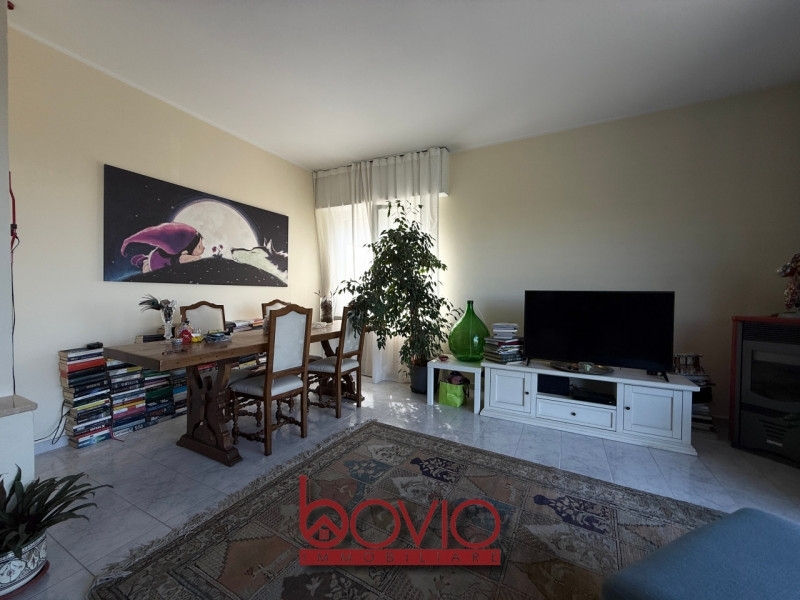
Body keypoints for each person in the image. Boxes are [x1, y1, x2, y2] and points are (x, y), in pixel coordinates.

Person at [121, 222, 205, 273]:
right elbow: (188, 259)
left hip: (156, 258)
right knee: (146, 267)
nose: (204, 248)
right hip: (153, 263)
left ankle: (144, 260)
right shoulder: (182, 257)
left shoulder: (179, 253)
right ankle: (143, 261)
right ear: (185, 252)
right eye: (199, 246)